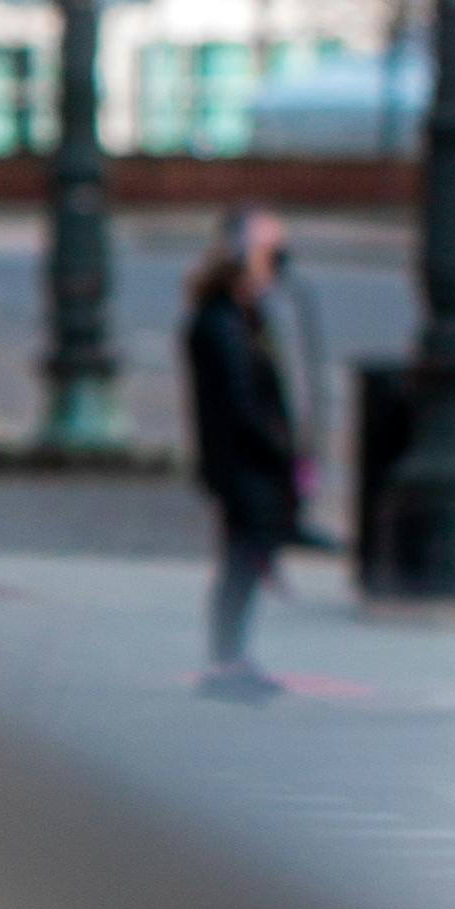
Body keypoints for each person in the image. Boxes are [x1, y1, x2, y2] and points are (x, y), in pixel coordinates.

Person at [184, 208, 301, 696]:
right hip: (241, 463)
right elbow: (240, 401)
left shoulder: (247, 315)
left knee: (246, 559)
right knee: (241, 559)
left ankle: (232, 659)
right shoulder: (221, 321)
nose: (279, 263)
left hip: (251, 461)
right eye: (270, 252)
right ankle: (226, 662)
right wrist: (278, 448)